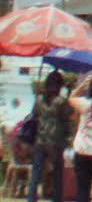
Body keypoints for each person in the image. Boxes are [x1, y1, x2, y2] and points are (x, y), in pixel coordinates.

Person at [26, 69, 71, 202]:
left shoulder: (39, 99)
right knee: (57, 174)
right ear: (60, 85)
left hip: (40, 140)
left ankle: (31, 198)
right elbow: (65, 120)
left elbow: (33, 116)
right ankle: (56, 199)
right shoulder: (60, 101)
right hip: (56, 141)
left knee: (36, 172)